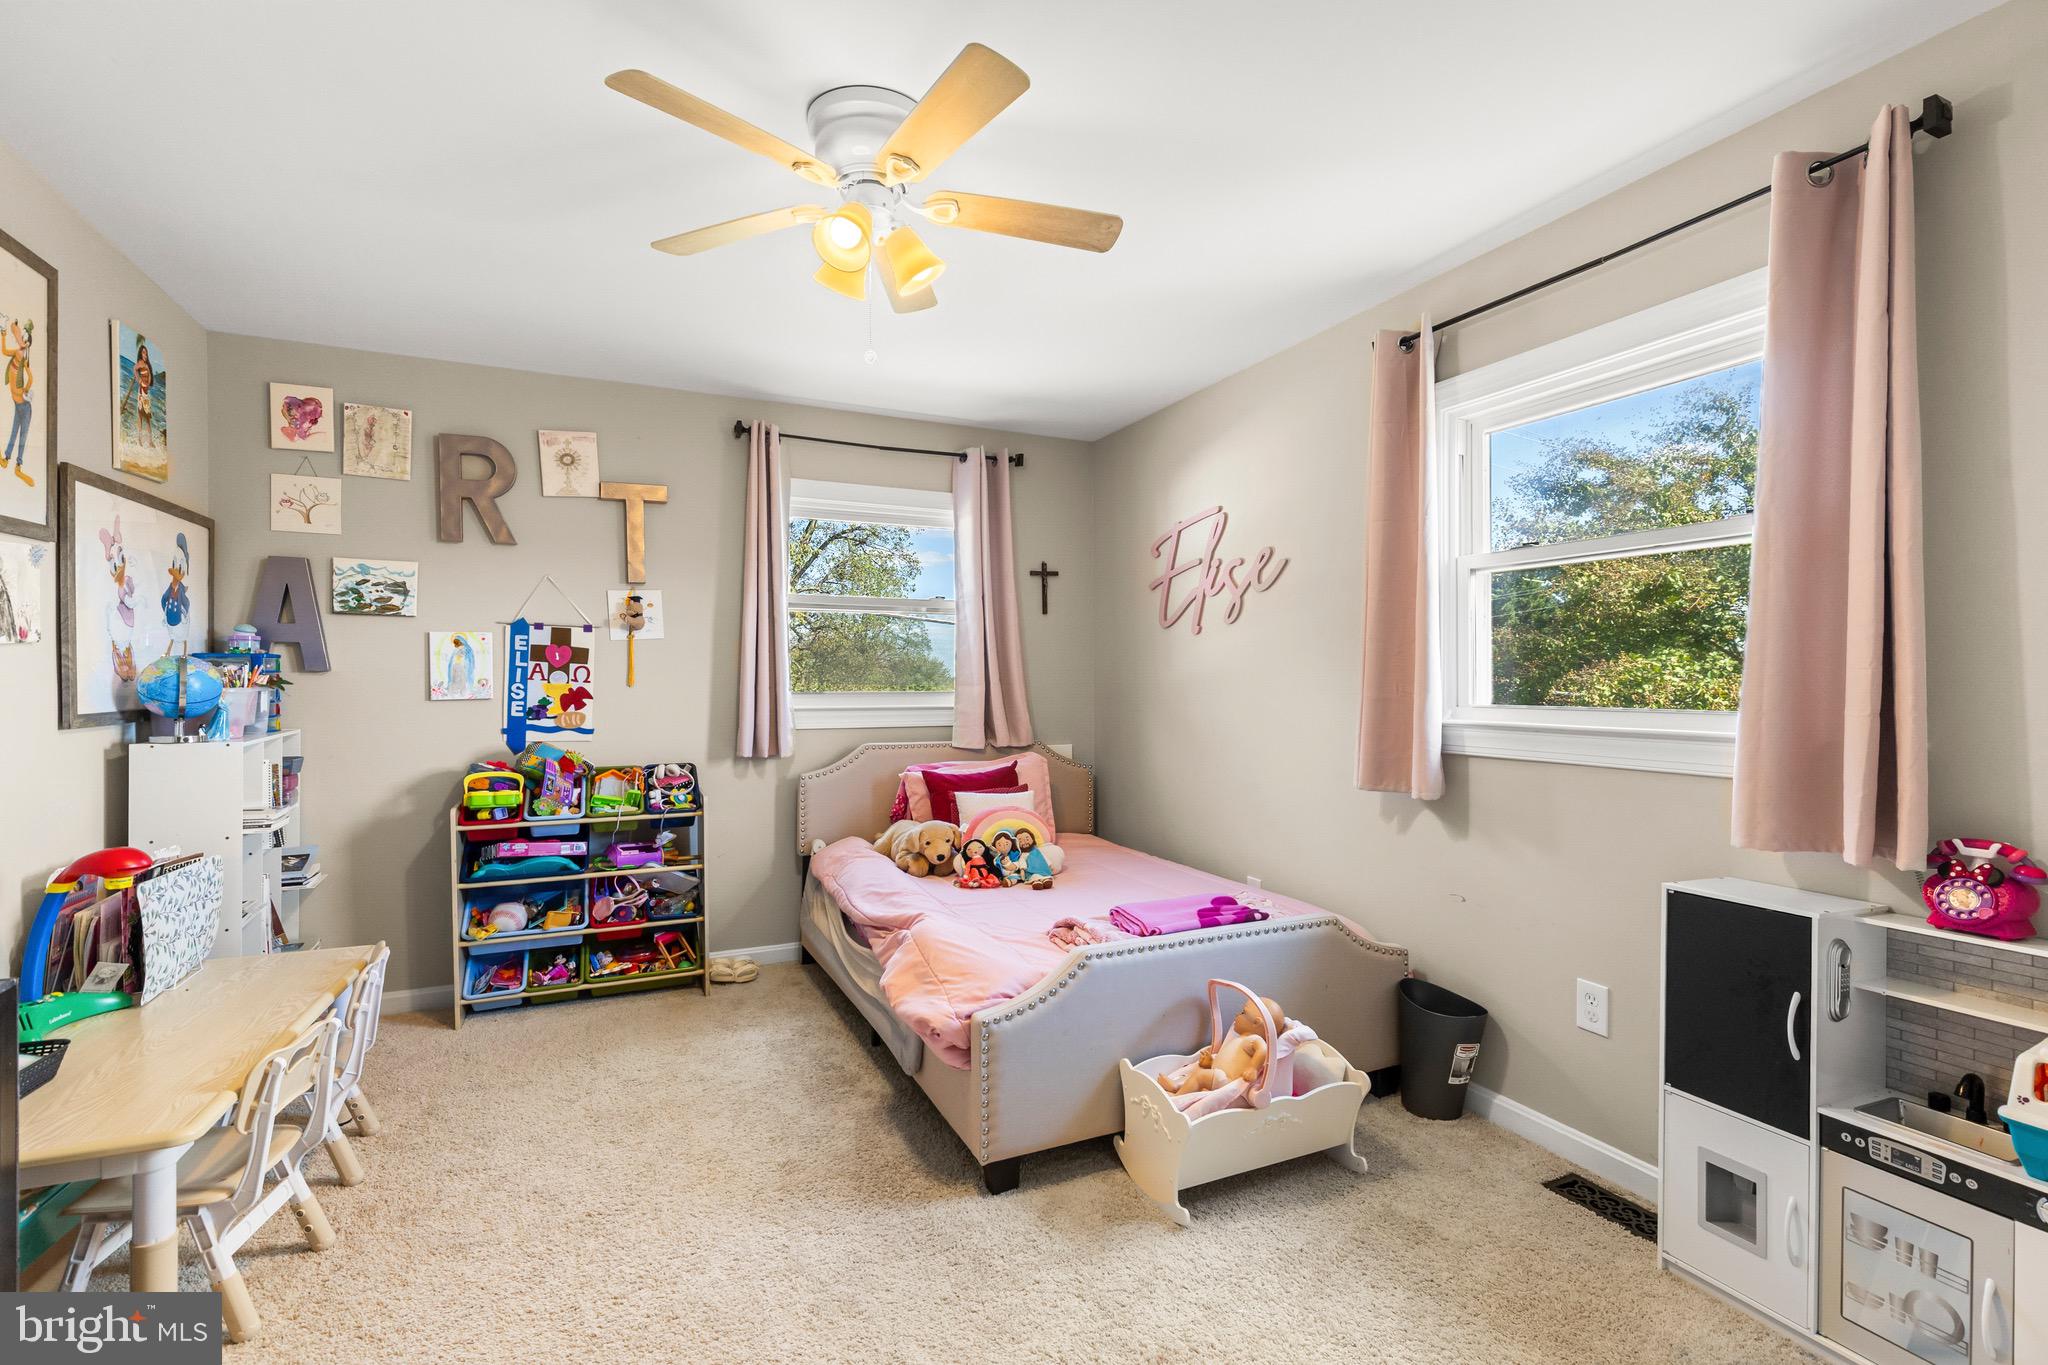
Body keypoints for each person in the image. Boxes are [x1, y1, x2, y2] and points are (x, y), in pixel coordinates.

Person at [2, 318, 34, 484]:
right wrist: (3, 333)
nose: (21, 340)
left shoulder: (24, 360)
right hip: (17, 404)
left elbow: (31, 378)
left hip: (25, 406)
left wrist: (25, 391)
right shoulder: (16, 353)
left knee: (23, 436)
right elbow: (4, 351)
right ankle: (6, 458)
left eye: (24, 339)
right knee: (14, 432)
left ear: (27, 344)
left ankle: (18, 466)